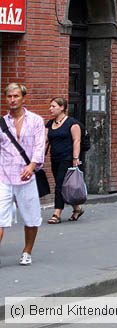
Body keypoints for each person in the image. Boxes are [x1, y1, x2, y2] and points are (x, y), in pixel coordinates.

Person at [0, 83, 46, 266]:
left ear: (23, 98)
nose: (12, 100)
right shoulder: (2, 122)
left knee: (31, 217)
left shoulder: (35, 120)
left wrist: (32, 165)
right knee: (0, 217)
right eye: (9, 96)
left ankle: (27, 251)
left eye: (16, 96)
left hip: (26, 176)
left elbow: (39, 146)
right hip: (4, 176)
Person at [45, 97, 85, 224]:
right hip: (54, 158)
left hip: (67, 158)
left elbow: (76, 141)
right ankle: (77, 209)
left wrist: (75, 158)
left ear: (62, 107)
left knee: (59, 185)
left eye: (53, 106)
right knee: (62, 185)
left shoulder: (72, 123)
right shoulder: (50, 124)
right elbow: (44, 141)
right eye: (50, 106)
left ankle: (57, 213)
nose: (50, 109)